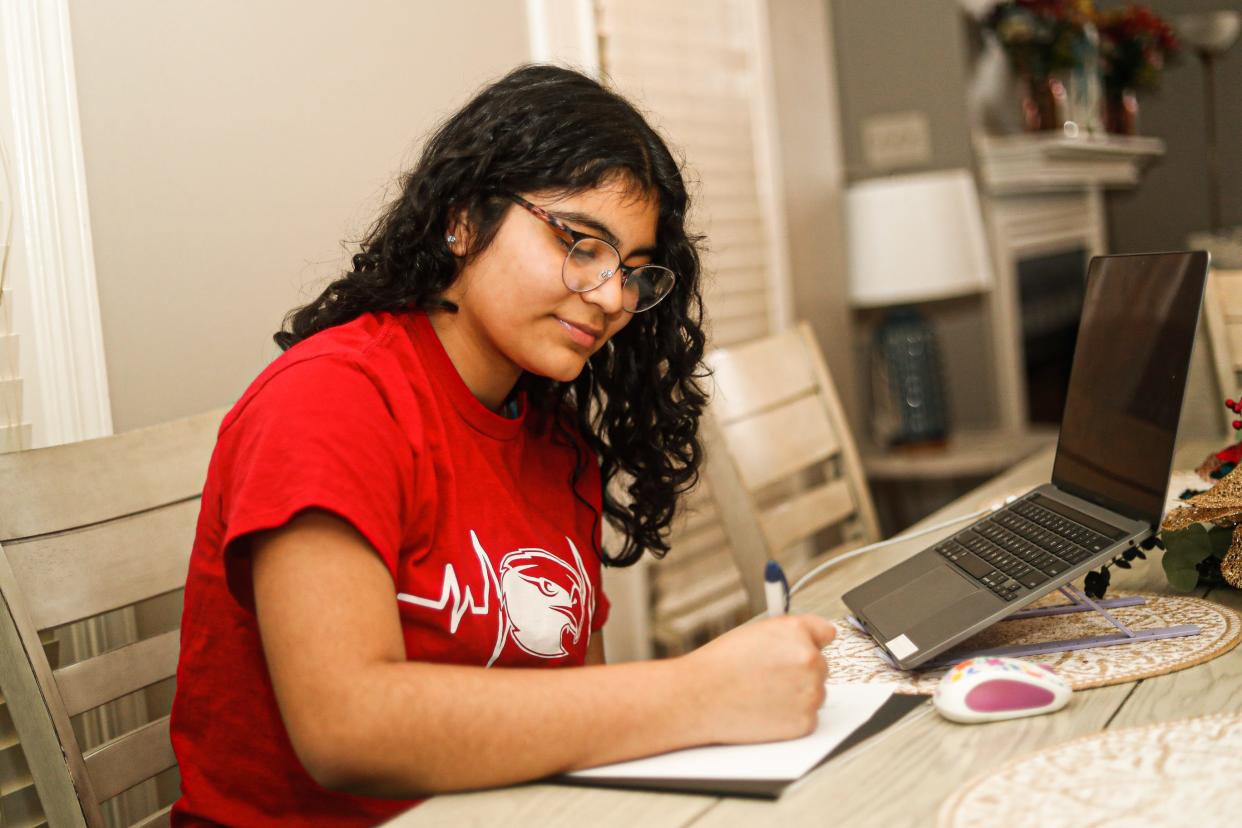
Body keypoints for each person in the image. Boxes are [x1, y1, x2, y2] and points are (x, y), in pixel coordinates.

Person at [170, 64, 835, 826]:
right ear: (462, 220)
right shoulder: (331, 401)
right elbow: (346, 727)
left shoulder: (549, 429)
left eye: (634, 271)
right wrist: (699, 693)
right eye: (580, 241)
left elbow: (575, 714)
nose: (613, 295)